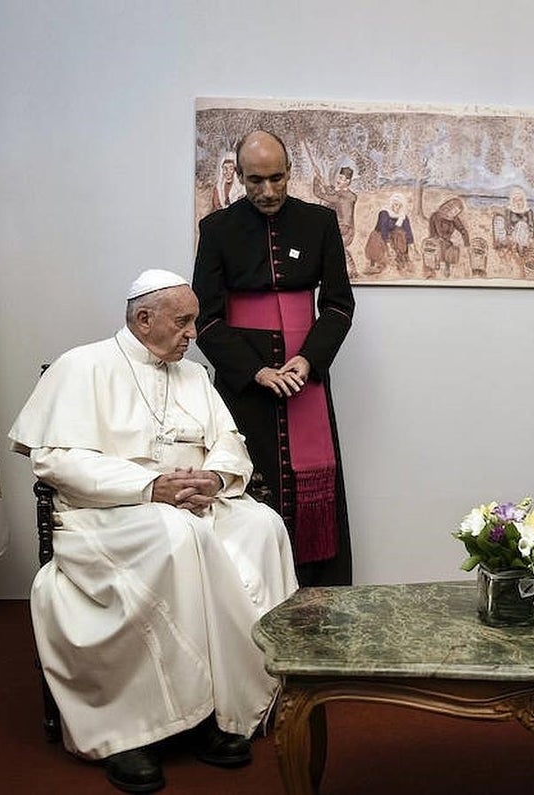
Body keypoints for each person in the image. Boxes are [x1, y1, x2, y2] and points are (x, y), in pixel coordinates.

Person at [9, 269, 298, 793]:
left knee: (261, 524)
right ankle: (136, 730)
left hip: (196, 503)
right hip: (110, 512)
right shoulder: (84, 365)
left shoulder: (193, 375)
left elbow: (229, 442)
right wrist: (151, 485)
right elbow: (54, 461)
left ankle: (226, 707)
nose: (194, 333)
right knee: (175, 537)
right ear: (145, 319)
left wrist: (216, 476)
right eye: (184, 322)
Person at [193, 130, 355, 587]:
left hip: (306, 377)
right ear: (240, 177)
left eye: (277, 178)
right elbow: (206, 316)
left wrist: (307, 360)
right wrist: (256, 370)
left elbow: (339, 304)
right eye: (255, 181)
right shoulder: (217, 229)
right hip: (245, 383)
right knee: (249, 483)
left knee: (313, 493)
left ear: (290, 172)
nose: (267, 191)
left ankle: (319, 599)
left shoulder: (319, 222)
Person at [312, 165, 359, 277]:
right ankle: (350, 271)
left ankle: (351, 270)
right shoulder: (339, 194)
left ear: (348, 182)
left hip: (346, 230)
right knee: (336, 248)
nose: (339, 180)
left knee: (338, 247)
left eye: (342, 179)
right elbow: (330, 194)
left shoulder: (346, 196)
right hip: (338, 228)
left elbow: (320, 194)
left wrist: (317, 181)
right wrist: (317, 179)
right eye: (339, 177)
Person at [363, 192, 414, 273]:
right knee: (378, 242)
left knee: (401, 234)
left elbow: (408, 230)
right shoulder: (384, 213)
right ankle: (377, 264)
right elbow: (384, 228)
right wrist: (388, 244)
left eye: (399, 205)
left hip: (394, 236)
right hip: (380, 234)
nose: (397, 207)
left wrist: (411, 244)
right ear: (391, 204)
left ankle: (401, 260)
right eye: (395, 204)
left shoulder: (402, 216)